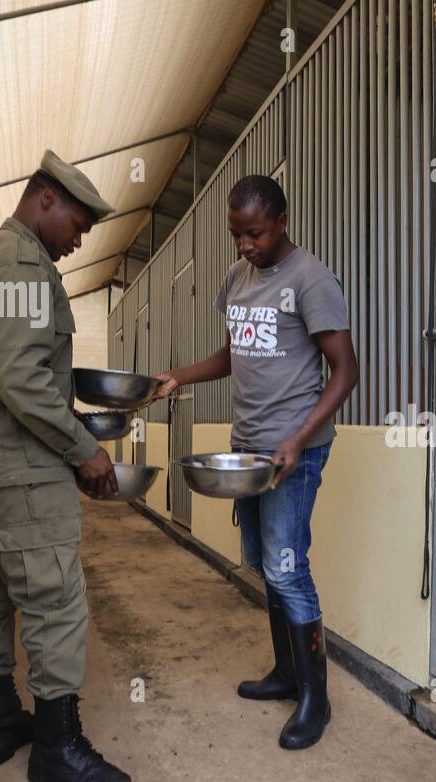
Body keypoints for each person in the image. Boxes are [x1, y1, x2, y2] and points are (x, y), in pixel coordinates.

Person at [0, 149, 130, 782]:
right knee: (55, 601)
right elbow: (20, 378)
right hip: (17, 470)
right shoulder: (21, 261)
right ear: (45, 198)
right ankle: (56, 746)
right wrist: (83, 447)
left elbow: (13, 375)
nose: (78, 240)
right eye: (77, 223)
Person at [152, 174, 358, 750]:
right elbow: (235, 350)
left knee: (288, 567)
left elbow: (346, 371)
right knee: (263, 565)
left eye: (256, 234)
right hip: (249, 449)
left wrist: (297, 439)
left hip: (294, 453)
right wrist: (181, 376)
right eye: (237, 235)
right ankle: (286, 674)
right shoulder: (238, 278)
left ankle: (316, 699)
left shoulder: (310, 279)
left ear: (282, 221)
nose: (245, 246)